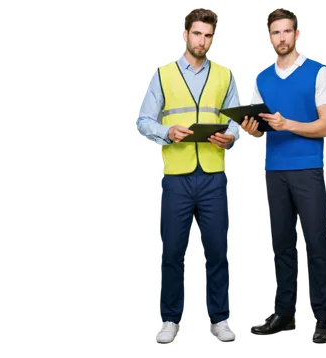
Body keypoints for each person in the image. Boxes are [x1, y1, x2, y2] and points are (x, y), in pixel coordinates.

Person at [135, 6, 242, 344]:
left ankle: (221, 318)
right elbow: (143, 121)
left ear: (214, 39)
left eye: (208, 35)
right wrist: (167, 131)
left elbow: (237, 119)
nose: (202, 40)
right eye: (196, 33)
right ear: (185, 35)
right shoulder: (163, 74)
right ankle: (169, 319)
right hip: (176, 176)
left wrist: (232, 136)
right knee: (173, 250)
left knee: (217, 250)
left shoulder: (225, 74)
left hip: (213, 174)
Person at [240, 7, 326, 344]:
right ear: (269, 38)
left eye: (286, 32)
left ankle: (323, 318)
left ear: (297, 34)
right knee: (280, 245)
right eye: (274, 33)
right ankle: (284, 313)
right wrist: (251, 130)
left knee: (317, 245)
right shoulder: (261, 77)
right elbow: (258, 130)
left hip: (308, 169)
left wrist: (288, 124)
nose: (281, 38)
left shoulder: (318, 71)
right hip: (275, 170)